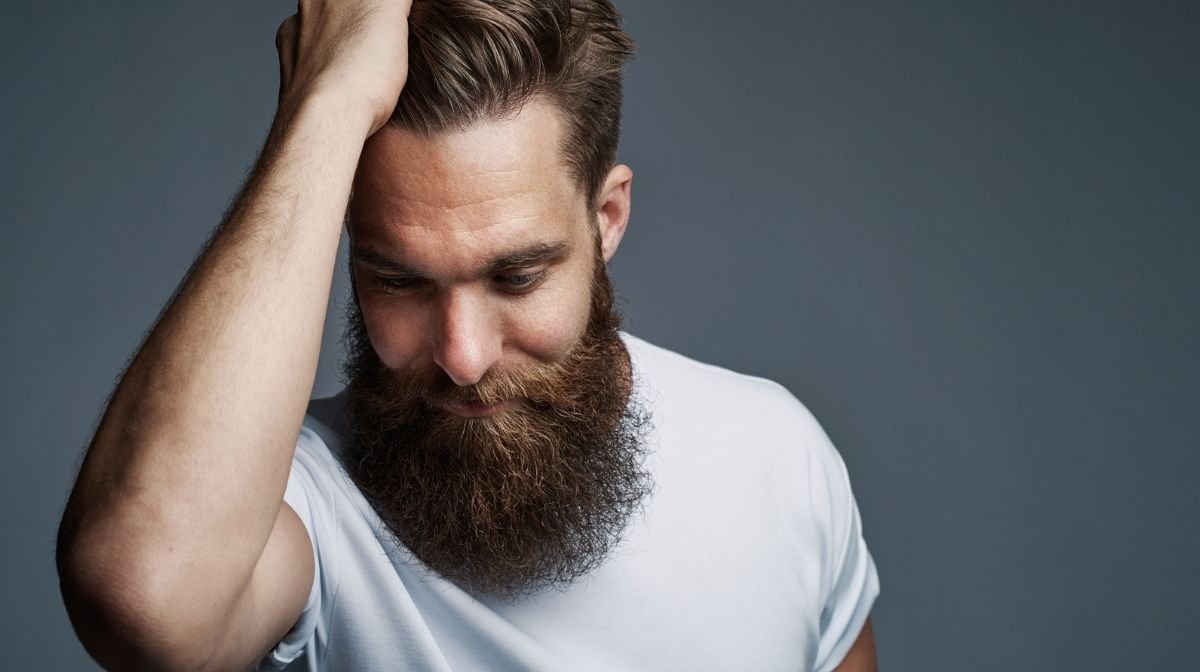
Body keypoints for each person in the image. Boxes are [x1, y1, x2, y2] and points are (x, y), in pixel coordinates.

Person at [56, 0, 880, 669]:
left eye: (516, 277)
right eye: (399, 280)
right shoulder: (297, 506)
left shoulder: (780, 457)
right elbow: (144, 600)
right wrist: (327, 106)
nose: (461, 355)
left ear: (607, 220)